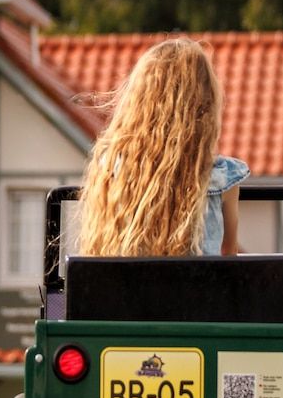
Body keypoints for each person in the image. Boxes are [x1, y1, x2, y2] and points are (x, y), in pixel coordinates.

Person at [75, 37, 248, 258]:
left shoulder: (112, 166)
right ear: (205, 107)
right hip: (198, 292)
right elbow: (229, 256)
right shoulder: (221, 178)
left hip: (127, 292)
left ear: (138, 104)